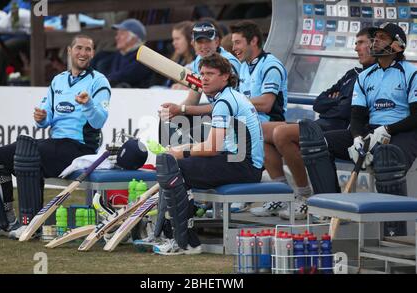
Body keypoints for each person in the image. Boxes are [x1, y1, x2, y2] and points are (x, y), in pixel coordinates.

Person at [0, 34, 111, 239]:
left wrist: (88, 104)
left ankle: (31, 224)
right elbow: (45, 117)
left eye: (88, 49)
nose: (83, 53)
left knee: (29, 154)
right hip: (56, 143)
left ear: (92, 53)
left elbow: (99, 121)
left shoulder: (99, 81)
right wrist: (41, 118)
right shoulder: (58, 80)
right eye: (79, 48)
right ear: (69, 51)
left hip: (79, 147)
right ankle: (3, 219)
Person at [300, 23, 417, 235]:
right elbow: (357, 117)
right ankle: (330, 208)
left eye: (382, 38)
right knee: (316, 142)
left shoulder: (411, 73)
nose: (375, 41)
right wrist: (355, 138)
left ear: (398, 46)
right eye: (375, 37)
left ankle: (394, 232)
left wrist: (388, 129)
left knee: (387, 157)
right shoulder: (364, 77)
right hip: (370, 130)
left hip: (404, 130)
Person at [250, 27, 377, 220]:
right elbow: (319, 102)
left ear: (373, 44)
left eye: (360, 43)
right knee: (258, 130)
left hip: (341, 129)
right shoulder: (352, 73)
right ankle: (281, 195)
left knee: (281, 134)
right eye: (356, 43)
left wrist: (336, 101)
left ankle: (304, 194)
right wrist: (339, 100)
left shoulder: (373, 75)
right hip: (322, 122)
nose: (355, 48)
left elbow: (346, 111)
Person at [153, 53, 264, 255]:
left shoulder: (224, 102)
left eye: (210, 74)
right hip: (239, 161)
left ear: (225, 77)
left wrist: (180, 152)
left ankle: (186, 242)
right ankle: (170, 233)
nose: (203, 78)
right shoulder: (228, 96)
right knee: (175, 163)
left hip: (243, 165)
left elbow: (212, 147)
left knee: (174, 164)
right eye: (202, 73)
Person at [229, 20, 288, 212]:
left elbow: (266, 103)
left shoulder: (271, 65)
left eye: (238, 42)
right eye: (233, 43)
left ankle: (280, 194)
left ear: (253, 41)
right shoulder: (244, 66)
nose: (234, 48)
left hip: (272, 122)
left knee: (245, 133)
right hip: (252, 122)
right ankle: (246, 191)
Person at [159, 20, 240, 124]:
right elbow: (193, 99)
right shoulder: (199, 60)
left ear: (216, 41)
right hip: (219, 114)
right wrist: (172, 111)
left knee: (196, 128)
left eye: (207, 41)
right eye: (200, 42)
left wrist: (181, 109)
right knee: (172, 121)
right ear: (193, 44)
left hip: (237, 117)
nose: (204, 46)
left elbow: (229, 104)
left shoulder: (229, 63)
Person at [91, 18, 152, 88]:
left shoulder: (144, 57)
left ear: (134, 38)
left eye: (122, 34)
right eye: (117, 34)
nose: (117, 37)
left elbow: (125, 76)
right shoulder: (118, 55)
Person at [166, 20, 195, 89]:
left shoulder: (197, 62)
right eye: (173, 39)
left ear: (189, 39)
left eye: (177, 39)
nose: (174, 43)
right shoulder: (179, 59)